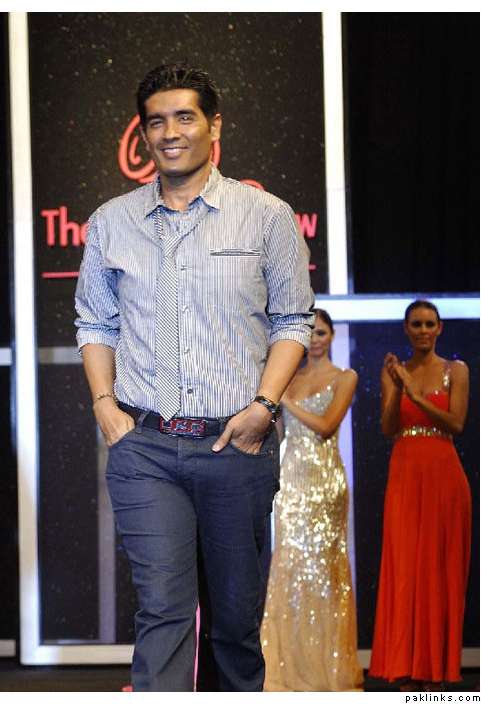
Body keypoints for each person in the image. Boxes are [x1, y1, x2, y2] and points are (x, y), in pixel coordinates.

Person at [74, 61, 314, 692]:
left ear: (215, 126)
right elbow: (94, 322)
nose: (170, 132)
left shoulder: (266, 216)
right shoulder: (111, 222)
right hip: (145, 447)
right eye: (157, 122)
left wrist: (264, 407)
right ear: (144, 135)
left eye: (185, 117)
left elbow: (293, 319)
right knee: (163, 611)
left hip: (236, 445)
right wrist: (105, 406)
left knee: (234, 623)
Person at [369, 300, 471, 692]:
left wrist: (417, 395)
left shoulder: (456, 370)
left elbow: (456, 423)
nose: (423, 330)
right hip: (405, 474)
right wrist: (398, 389)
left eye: (430, 324)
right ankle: (406, 669)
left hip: (444, 476)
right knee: (405, 570)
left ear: (440, 328)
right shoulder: (395, 371)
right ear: (406, 329)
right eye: (417, 324)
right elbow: (388, 427)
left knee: (439, 572)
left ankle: (436, 672)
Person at [260, 308, 363, 691]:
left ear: (332, 335)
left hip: (325, 482)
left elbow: (326, 426)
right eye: (311, 333)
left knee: (325, 572)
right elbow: (281, 433)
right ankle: (287, 668)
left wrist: (285, 401)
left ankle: (327, 669)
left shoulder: (345, 377)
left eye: (321, 332)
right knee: (289, 566)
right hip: (291, 480)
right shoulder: (291, 377)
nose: (316, 339)